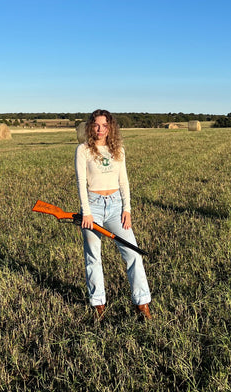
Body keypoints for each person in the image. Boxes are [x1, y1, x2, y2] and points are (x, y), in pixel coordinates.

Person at [75, 109, 152, 321]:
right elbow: (81, 183)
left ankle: (142, 303)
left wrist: (127, 209)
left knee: (133, 253)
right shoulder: (83, 150)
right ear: (91, 126)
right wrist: (87, 213)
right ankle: (98, 304)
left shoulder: (118, 150)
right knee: (93, 256)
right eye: (96, 125)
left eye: (105, 126)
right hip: (93, 207)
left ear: (111, 128)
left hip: (116, 206)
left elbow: (124, 181)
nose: (100, 130)